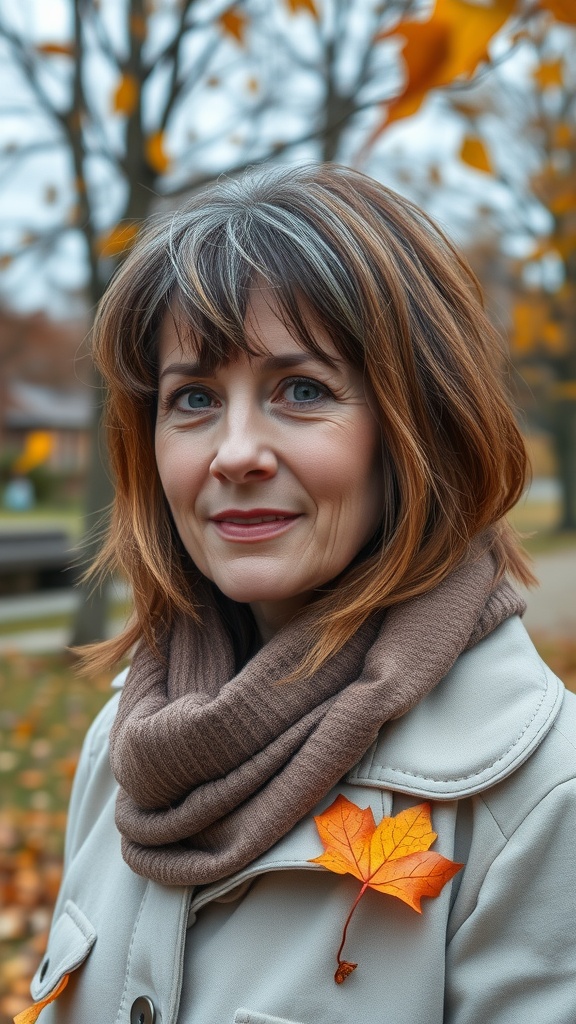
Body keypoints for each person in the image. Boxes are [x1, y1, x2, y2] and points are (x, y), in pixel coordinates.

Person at [27, 164, 575, 1024]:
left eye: (302, 390)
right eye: (195, 398)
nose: (234, 452)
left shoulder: (541, 799)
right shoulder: (121, 746)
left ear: (414, 428)